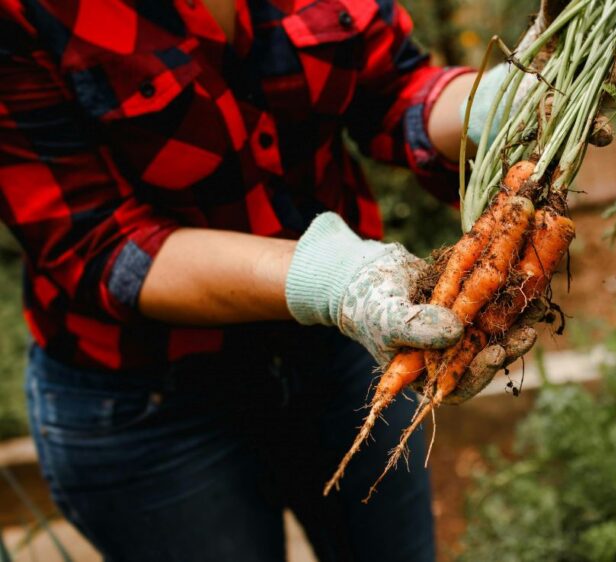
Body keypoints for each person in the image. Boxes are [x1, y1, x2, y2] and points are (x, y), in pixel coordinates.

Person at [0, 0, 562, 560]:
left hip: (337, 354)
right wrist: (330, 276)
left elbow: (390, 88)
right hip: (148, 402)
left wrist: (496, 103)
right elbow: (98, 243)